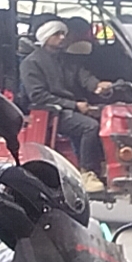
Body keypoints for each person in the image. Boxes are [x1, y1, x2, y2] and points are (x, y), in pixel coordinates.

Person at [20, 20, 107, 185]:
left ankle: (102, 166)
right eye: (57, 34)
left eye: (63, 34)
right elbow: (38, 96)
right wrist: (74, 105)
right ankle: (87, 173)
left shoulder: (68, 60)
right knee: (90, 126)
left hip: (71, 109)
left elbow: (84, 76)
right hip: (51, 114)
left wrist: (97, 85)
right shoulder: (31, 63)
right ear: (46, 37)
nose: (62, 37)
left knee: (106, 119)